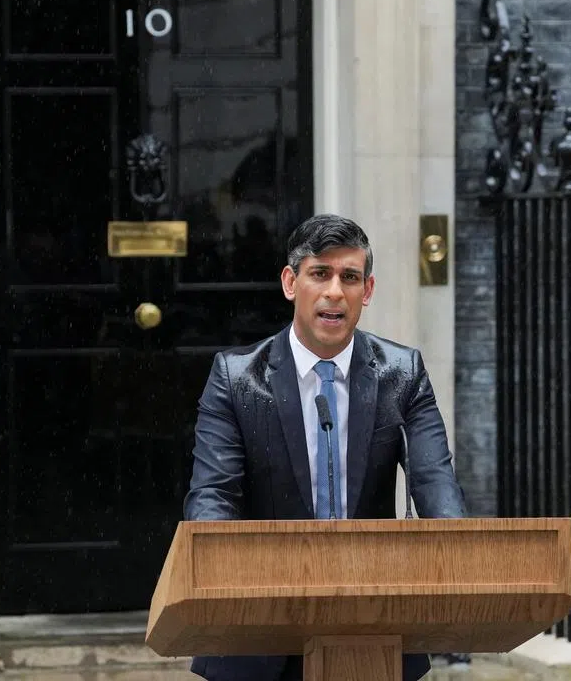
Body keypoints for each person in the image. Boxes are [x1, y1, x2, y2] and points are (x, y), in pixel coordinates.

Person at [183, 213, 467, 681]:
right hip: (258, 632)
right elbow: (212, 496)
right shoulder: (235, 379)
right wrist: (220, 575)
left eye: (349, 277)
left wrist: (461, 562)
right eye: (320, 274)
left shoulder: (403, 374)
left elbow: (437, 486)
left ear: (367, 291)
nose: (335, 291)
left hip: (372, 631)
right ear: (291, 283)